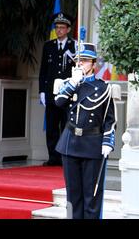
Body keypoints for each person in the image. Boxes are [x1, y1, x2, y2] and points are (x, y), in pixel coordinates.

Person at [54, 43, 116, 219]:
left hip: (92, 145)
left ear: (94, 64)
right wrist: (74, 82)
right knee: (73, 197)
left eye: (85, 60)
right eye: (78, 60)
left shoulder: (103, 88)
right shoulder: (70, 84)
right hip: (70, 143)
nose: (80, 64)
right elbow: (59, 102)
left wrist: (107, 142)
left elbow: (110, 120)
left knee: (92, 197)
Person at [38, 12, 77, 166]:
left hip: (68, 93)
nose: (59, 30)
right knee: (52, 126)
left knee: (67, 124)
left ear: (68, 29)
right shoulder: (48, 46)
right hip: (51, 93)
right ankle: (53, 157)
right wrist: (41, 91)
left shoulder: (74, 46)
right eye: (57, 27)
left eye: (62, 28)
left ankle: (66, 156)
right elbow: (43, 71)